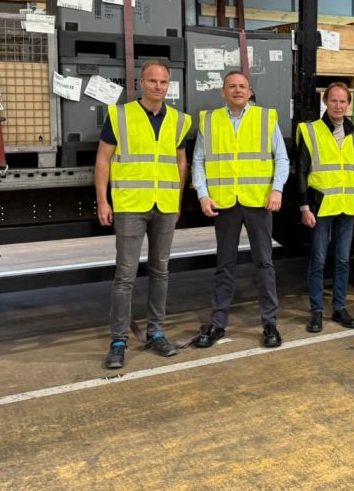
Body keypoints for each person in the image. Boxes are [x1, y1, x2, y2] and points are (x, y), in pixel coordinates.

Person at [96, 59, 192, 370]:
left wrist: (177, 199)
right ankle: (118, 340)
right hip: (130, 204)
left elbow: (181, 163)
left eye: (164, 82)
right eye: (153, 81)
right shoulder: (120, 115)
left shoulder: (178, 120)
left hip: (164, 205)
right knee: (125, 276)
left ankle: (157, 333)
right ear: (141, 83)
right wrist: (102, 201)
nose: (159, 87)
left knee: (161, 272)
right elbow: (103, 160)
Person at [191, 71, 289, 349]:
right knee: (225, 266)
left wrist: (277, 188)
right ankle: (218, 324)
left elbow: (280, 158)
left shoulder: (264, 118)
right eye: (232, 86)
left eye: (242, 86)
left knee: (264, 264)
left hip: (258, 202)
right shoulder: (210, 121)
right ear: (223, 92)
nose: (237, 90)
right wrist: (202, 194)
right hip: (224, 204)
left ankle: (270, 323)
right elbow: (199, 161)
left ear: (250, 92)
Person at [296, 83, 354, 333]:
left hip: (346, 207)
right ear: (326, 102)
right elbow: (302, 171)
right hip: (320, 206)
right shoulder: (310, 130)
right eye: (334, 101)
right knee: (318, 260)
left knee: (343, 260)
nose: (338, 105)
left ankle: (339, 307)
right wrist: (304, 206)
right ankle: (316, 311)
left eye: (343, 101)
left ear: (348, 104)